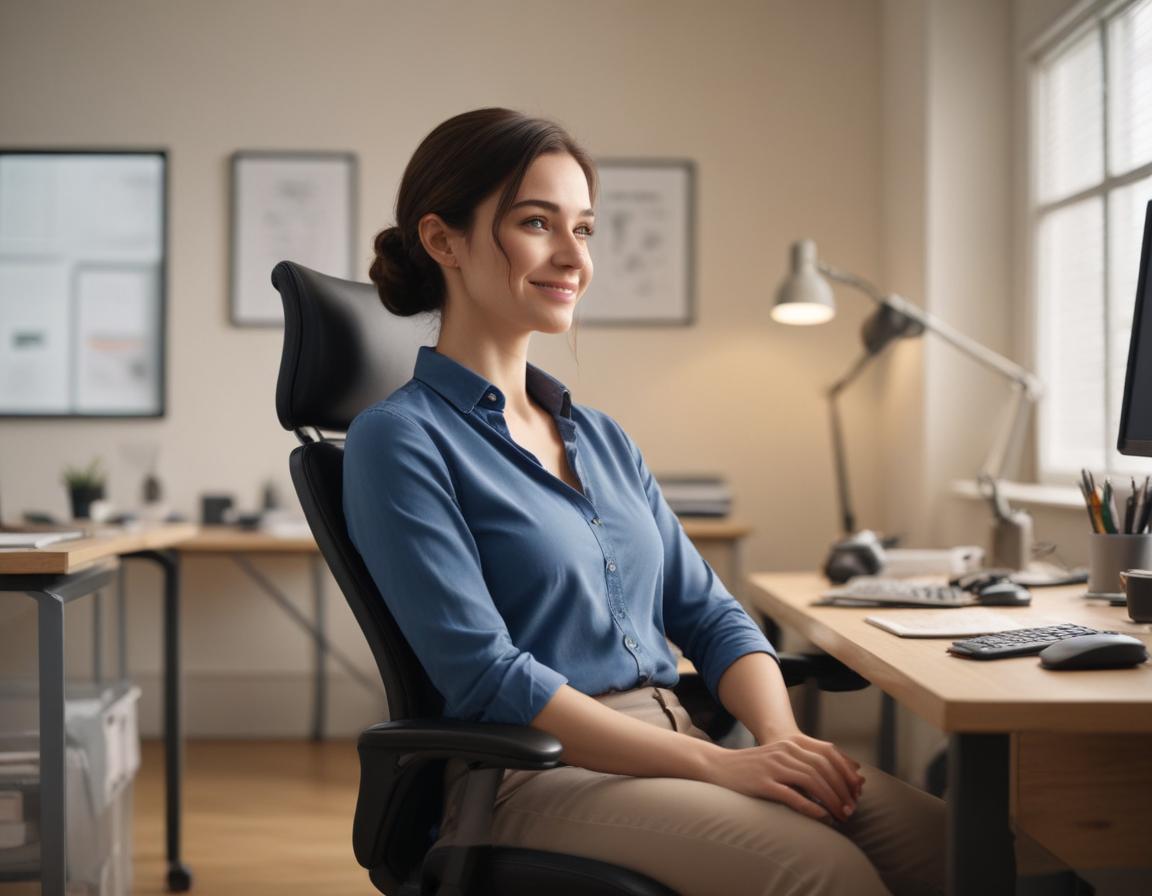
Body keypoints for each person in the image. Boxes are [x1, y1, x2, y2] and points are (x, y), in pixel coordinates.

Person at [343, 108, 945, 896]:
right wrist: (720, 764)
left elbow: (712, 615)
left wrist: (781, 742)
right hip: (534, 773)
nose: (573, 257)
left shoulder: (599, 437)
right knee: (822, 873)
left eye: (584, 229)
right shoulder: (399, 440)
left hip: (680, 737)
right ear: (443, 240)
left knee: (953, 846)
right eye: (536, 222)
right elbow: (488, 675)